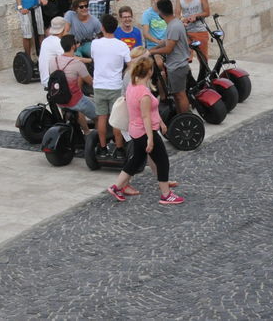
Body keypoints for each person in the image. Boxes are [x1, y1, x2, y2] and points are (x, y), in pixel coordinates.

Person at [108, 56, 184, 205]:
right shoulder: (144, 94)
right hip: (144, 131)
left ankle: (117, 187)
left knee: (136, 160)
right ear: (149, 71)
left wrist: (159, 122)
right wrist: (150, 138)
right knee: (162, 160)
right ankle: (166, 194)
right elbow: (146, 117)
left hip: (134, 130)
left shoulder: (132, 86)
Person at [39, 23, 96, 133]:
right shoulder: (77, 63)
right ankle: (94, 139)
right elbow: (91, 83)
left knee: (77, 107)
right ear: (74, 46)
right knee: (99, 116)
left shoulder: (53, 61)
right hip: (74, 100)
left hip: (59, 99)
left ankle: (86, 132)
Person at [90, 14, 131, 155]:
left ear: (102, 27)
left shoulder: (95, 44)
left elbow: (94, 59)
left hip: (99, 85)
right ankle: (119, 147)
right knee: (116, 119)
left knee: (102, 117)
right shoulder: (122, 45)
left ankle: (102, 147)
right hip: (115, 85)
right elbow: (130, 65)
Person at [143, 0, 192, 115]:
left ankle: (185, 118)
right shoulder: (173, 23)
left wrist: (151, 53)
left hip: (177, 66)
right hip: (175, 66)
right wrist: (151, 49)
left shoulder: (174, 26)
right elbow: (165, 41)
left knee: (180, 95)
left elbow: (168, 49)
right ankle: (180, 116)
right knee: (176, 94)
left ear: (161, 12)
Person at [177, 0, 211, 66]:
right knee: (185, 59)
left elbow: (207, 12)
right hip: (186, 31)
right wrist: (182, 19)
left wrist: (196, 16)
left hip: (199, 30)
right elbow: (176, 15)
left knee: (203, 59)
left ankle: (204, 78)